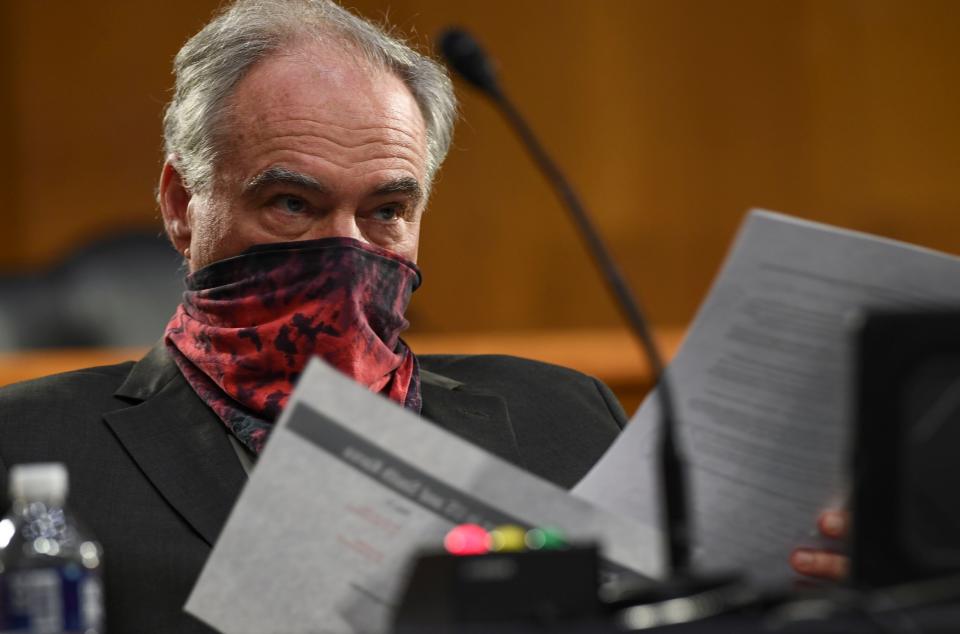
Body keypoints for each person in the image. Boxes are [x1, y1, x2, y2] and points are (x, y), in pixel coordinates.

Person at [0, 1, 846, 631]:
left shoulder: (563, 418)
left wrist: (823, 595)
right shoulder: (31, 444)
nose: (346, 249)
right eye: (293, 203)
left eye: (386, 211)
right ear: (183, 205)